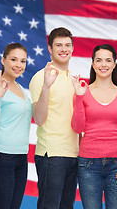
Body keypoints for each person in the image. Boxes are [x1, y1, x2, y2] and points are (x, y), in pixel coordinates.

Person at [71, 44, 117, 209]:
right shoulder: (82, 92)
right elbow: (78, 128)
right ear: (93, 63)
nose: (103, 64)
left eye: (108, 60)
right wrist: (78, 97)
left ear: (114, 64)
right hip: (88, 164)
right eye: (99, 60)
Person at [29, 27, 79, 209]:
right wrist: (45, 87)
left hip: (73, 155)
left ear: (73, 49)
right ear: (50, 49)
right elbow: (39, 119)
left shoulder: (73, 80)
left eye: (67, 45)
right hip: (52, 155)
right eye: (58, 45)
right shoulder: (40, 78)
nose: (63, 49)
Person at [0, 43, 32, 209]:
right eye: (14, 59)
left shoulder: (20, 88)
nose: (18, 65)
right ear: (3, 60)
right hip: (1, 158)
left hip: (21, 157)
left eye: (23, 61)